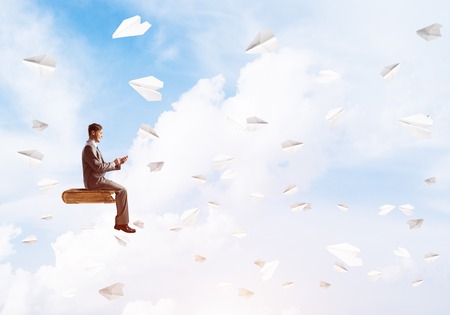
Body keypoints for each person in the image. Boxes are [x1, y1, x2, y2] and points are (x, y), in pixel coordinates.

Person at [82, 123, 136, 233]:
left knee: (121, 190)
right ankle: (122, 224)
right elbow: (99, 168)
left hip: (97, 180)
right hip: (94, 182)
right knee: (122, 190)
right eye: (100, 133)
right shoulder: (89, 148)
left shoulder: (93, 147)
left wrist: (117, 163)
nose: (102, 135)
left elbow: (101, 167)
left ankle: (120, 223)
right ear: (93, 132)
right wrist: (114, 162)